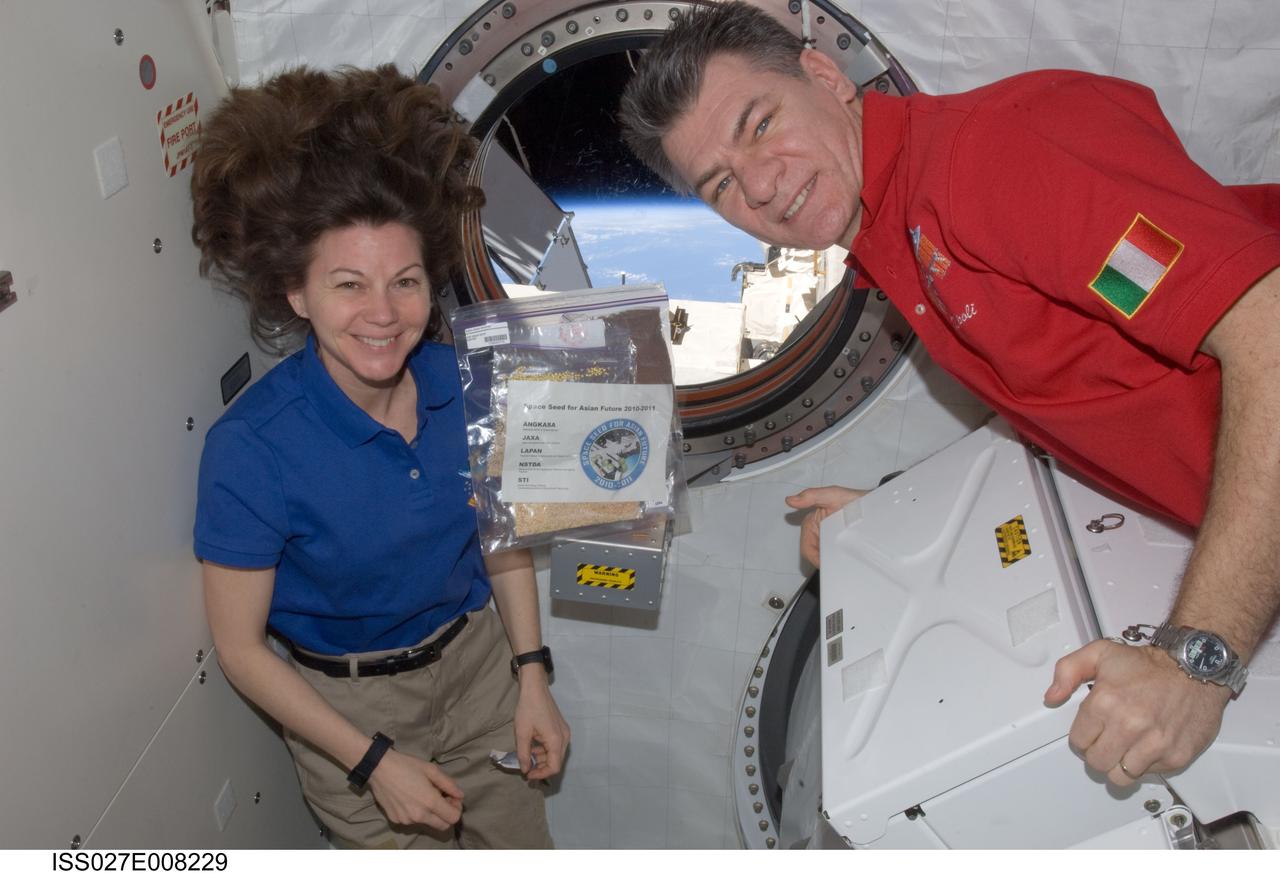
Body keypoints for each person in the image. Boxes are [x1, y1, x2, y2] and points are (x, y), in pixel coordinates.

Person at [619, 2, 1280, 789]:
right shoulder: (897, 235)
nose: (759, 186)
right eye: (721, 183)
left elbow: (1267, 331)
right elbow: (1083, 395)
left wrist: (1197, 662)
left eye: (760, 124)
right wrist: (900, 521)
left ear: (825, 76)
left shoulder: (993, 161)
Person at [190, 65, 568, 849]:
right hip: (349, 711)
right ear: (297, 293)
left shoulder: (466, 383)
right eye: (348, 285)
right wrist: (371, 762)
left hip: (478, 671)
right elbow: (240, 649)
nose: (384, 314)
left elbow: (501, 542)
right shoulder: (252, 448)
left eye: (405, 281)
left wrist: (532, 675)